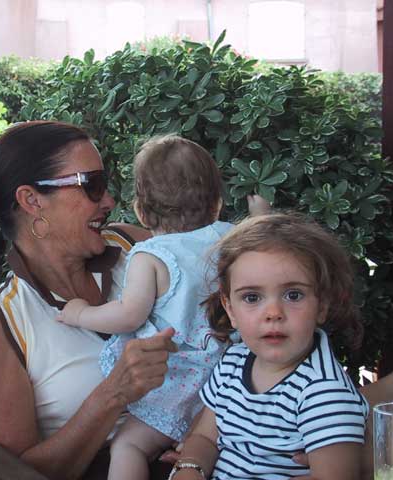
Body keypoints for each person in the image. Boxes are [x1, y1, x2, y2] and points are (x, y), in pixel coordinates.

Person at [0, 120, 177, 480]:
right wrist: (112, 394)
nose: (109, 201)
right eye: (92, 185)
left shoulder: (137, 248)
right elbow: (18, 472)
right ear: (32, 201)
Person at [58, 135, 268, 480]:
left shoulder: (153, 256)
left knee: (128, 445)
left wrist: (80, 313)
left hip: (174, 387)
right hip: (226, 385)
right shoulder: (231, 238)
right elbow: (268, 243)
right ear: (216, 203)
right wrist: (261, 215)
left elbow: (129, 315)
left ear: (141, 211)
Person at [168, 213, 369, 480]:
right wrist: (189, 469)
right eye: (252, 297)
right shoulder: (233, 362)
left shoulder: (325, 393)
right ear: (230, 309)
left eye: (293, 295)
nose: (273, 312)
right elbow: (205, 437)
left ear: (322, 305)